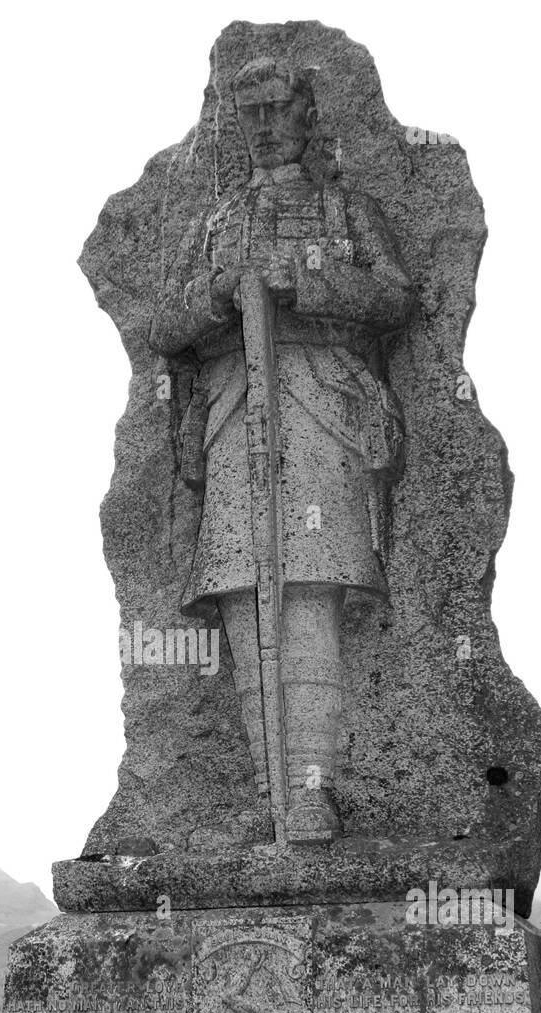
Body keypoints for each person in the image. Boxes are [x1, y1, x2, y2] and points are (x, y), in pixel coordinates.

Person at [150, 55, 413, 843]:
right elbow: (164, 326)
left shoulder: (345, 209)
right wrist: (217, 294)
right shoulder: (215, 223)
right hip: (235, 408)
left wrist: (306, 280)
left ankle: (312, 788)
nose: (264, 125)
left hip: (318, 398)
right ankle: (269, 791)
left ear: (306, 114)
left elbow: (396, 295)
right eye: (251, 112)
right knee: (241, 589)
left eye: (276, 108)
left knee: (310, 585)